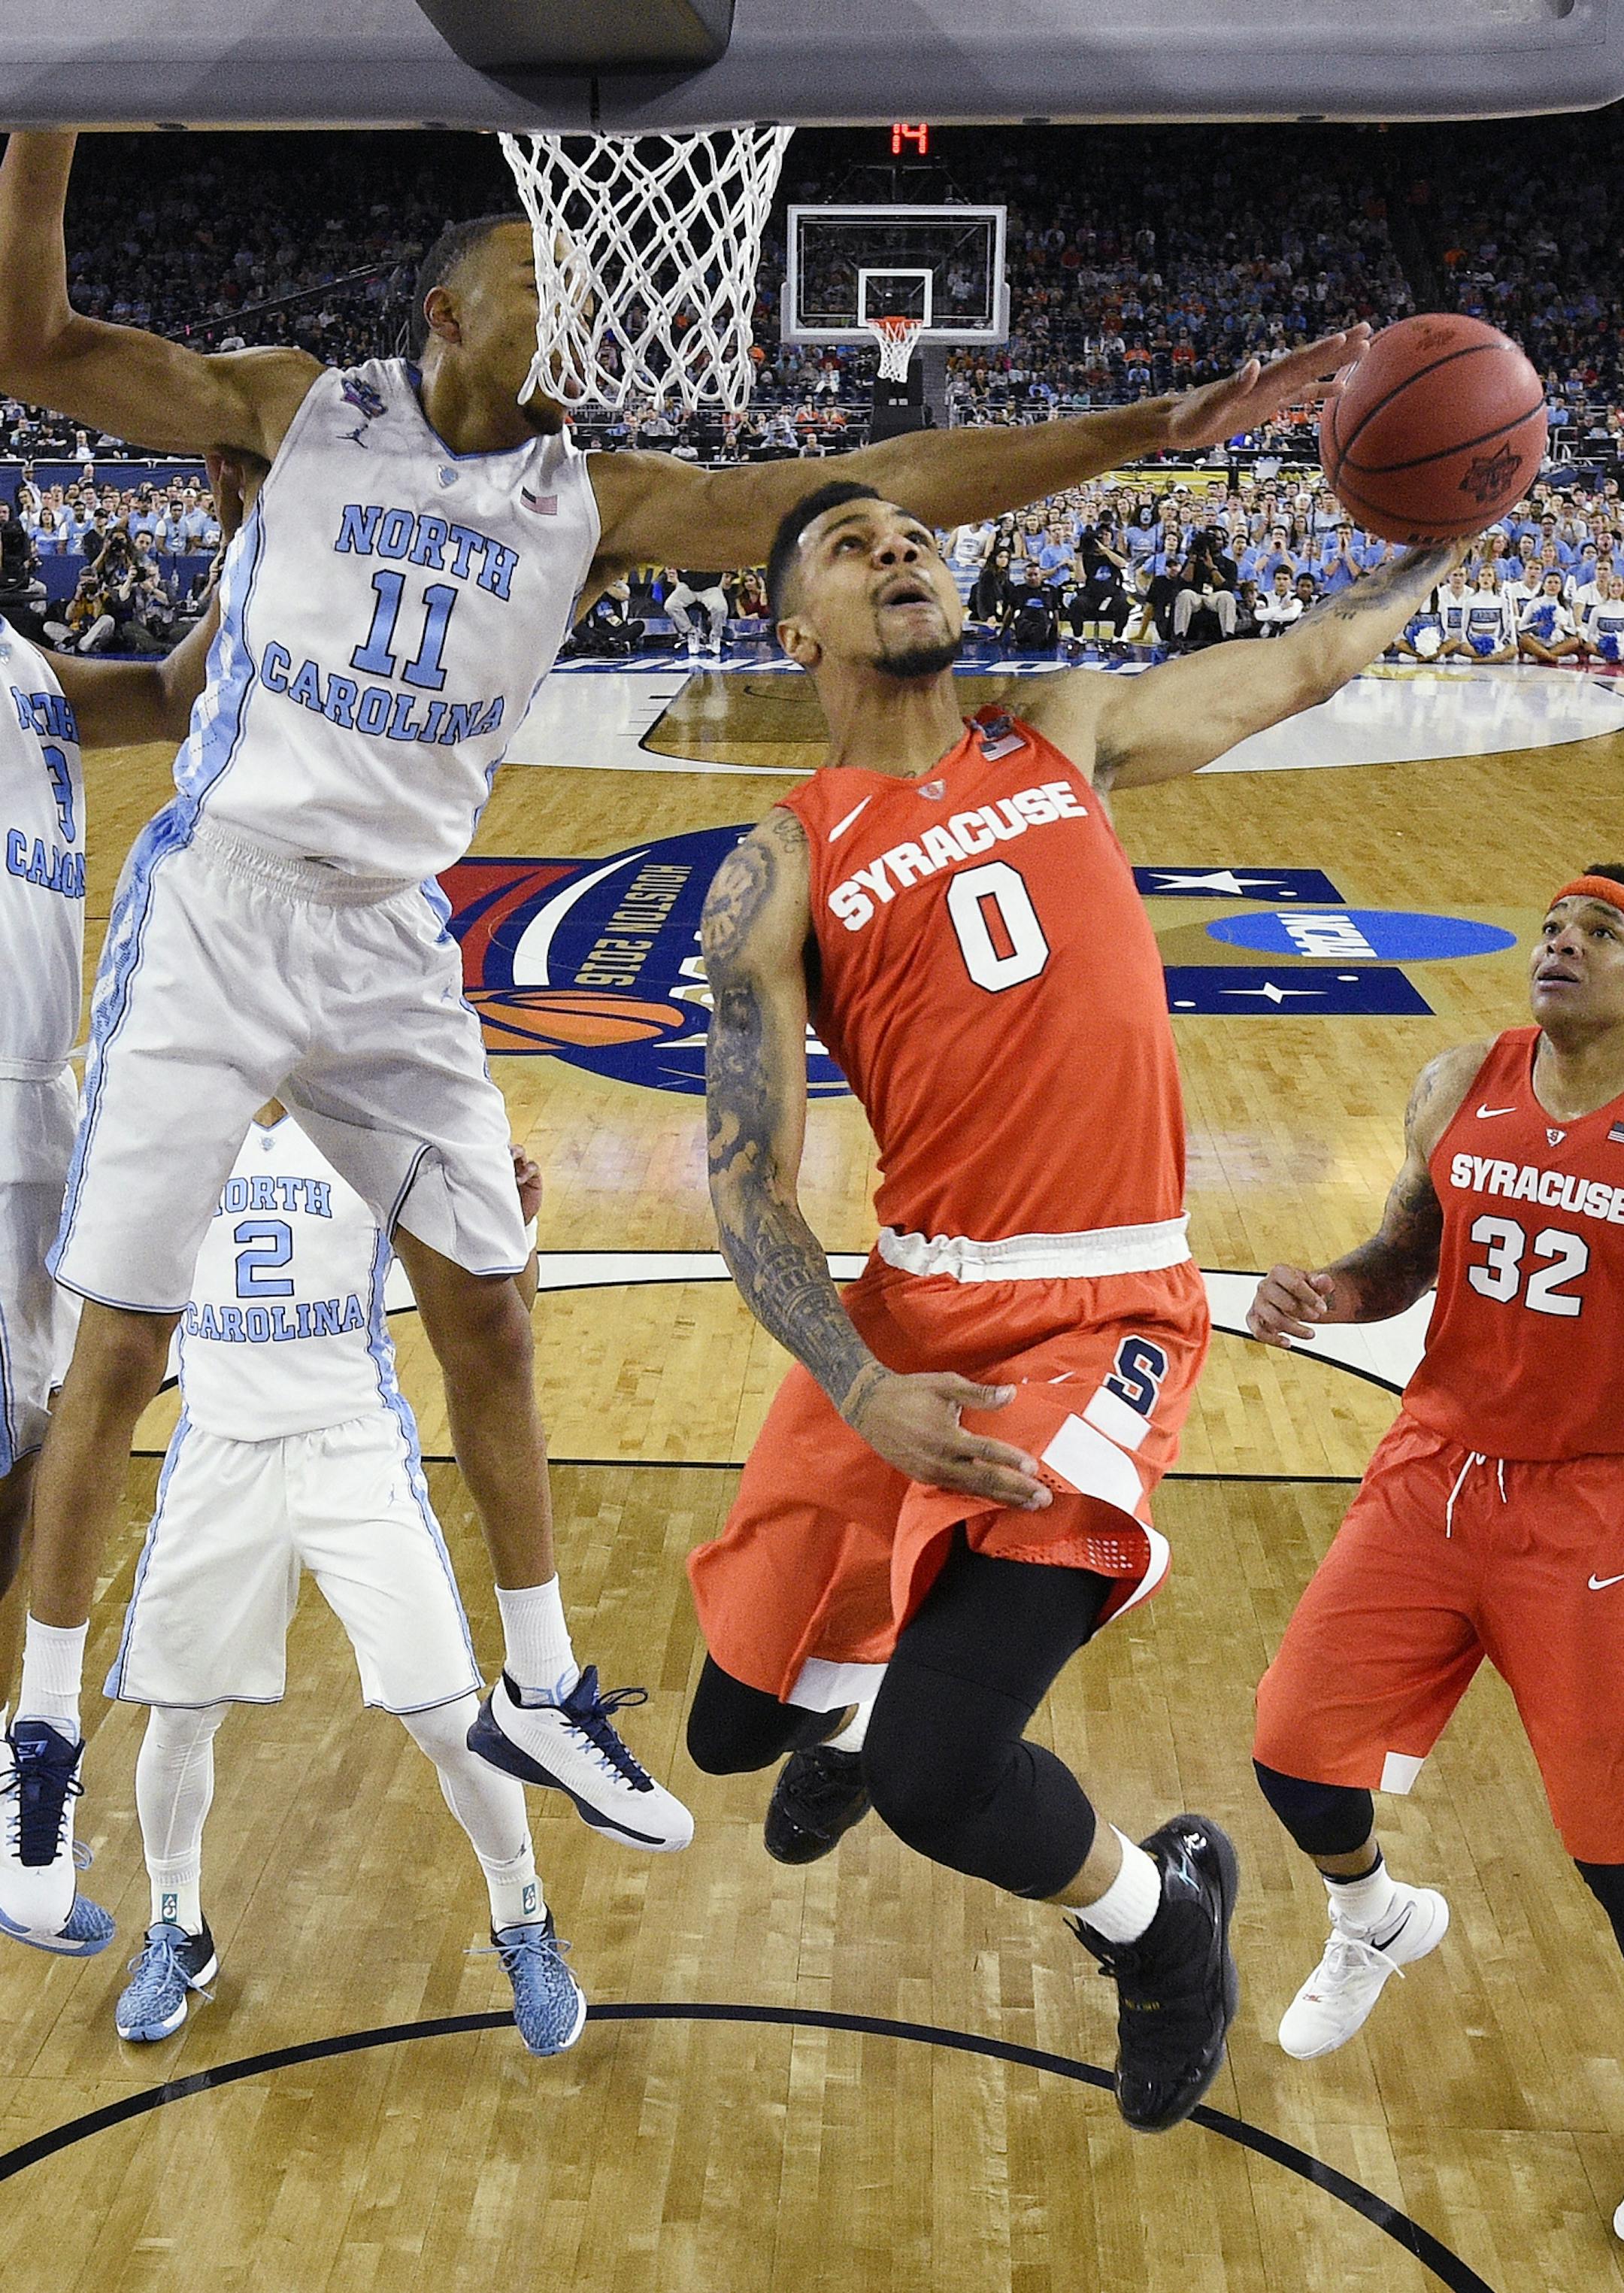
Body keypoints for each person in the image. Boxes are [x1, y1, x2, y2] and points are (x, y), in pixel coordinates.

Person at [0, 124, 1367, 1949]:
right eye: (543, 272)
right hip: (225, 892)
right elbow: (38, 342)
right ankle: (37, 1730)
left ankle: (550, 1680)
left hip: (394, 919)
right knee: (122, 1331)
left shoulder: (605, 494)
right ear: (444, 312)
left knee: (487, 1301)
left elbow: (872, 471)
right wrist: (48, 102)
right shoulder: (292, 410)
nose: (582, 303)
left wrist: (1146, 426)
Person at [683, 475, 1457, 2135]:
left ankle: (1168, 1929)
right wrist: (859, 1380)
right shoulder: (782, 860)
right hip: (907, 1308)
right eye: (848, 544)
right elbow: (746, 1186)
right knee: (733, 1732)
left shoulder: (1066, 732)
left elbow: (1314, 656)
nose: (900, 548)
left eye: (916, 533)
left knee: (936, 1778)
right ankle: (853, 1681)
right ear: (792, 628)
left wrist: (1453, 527)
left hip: (1098, 1309)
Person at [1245, 871, 1624, 2237]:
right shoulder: (1465, 1075)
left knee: (1617, 1851)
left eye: (1602, 931)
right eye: (1554, 926)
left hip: (1591, 1508)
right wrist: (1331, 1291)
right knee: (1293, 1747)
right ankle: (1372, 1916)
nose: (1563, 943)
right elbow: (1407, 1252)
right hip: (1432, 1470)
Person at [104, 1104, 585, 2057]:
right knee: (178, 1715)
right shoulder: (178, 1110)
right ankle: (176, 1925)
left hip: (352, 1450)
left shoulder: (368, 1117)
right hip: (218, 1455)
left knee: (450, 1719)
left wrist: (517, 1224)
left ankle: (523, 1918)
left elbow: (504, 1313)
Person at [0, 467, 232, 1955]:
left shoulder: (22, 665)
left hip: (35, 1101)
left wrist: (268, 531)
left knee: (36, 1439)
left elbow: (165, 690)